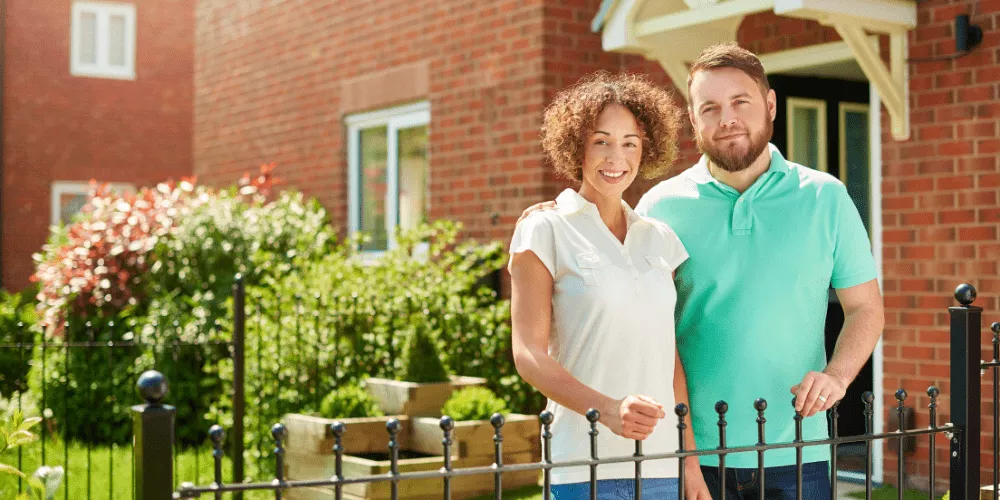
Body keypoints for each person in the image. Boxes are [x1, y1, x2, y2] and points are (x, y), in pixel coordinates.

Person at [518, 43, 885, 499]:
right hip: (694, 456)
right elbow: (646, 323)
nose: (726, 118)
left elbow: (866, 308)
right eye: (709, 107)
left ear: (770, 105)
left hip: (799, 449)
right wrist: (553, 215)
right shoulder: (659, 210)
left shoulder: (825, 197)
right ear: (693, 120)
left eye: (740, 102)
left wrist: (837, 376)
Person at [508, 71, 711, 499]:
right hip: (584, 464)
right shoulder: (544, 229)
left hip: (660, 466)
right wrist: (608, 411)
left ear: (646, 150)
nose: (615, 156)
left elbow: (668, 358)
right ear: (576, 145)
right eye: (601, 140)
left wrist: (688, 461)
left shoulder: (659, 239)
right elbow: (528, 354)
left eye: (629, 143)